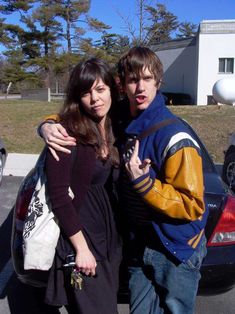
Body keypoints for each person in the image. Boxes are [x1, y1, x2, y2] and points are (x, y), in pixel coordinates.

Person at [39, 47, 208, 314]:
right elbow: (59, 194)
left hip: (160, 247)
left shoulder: (157, 132)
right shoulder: (99, 124)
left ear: (158, 81)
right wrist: (47, 126)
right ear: (122, 85)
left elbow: (192, 204)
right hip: (113, 243)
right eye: (132, 80)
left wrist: (146, 185)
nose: (140, 87)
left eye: (148, 78)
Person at [43, 58, 122, 314]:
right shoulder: (67, 133)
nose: (95, 99)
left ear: (111, 89)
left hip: (110, 240)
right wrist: (81, 249)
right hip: (84, 239)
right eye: (86, 92)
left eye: (100, 89)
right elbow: (58, 195)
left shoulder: (114, 126)